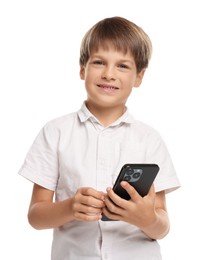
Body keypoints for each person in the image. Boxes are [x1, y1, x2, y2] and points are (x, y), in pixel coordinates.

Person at [18, 16, 180, 260]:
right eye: (99, 62)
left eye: (122, 66)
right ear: (83, 69)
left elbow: (162, 226)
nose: (109, 74)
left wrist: (147, 218)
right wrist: (70, 207)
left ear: (139, 77)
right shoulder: (56, 132)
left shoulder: (150, 139)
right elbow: (35, 216)